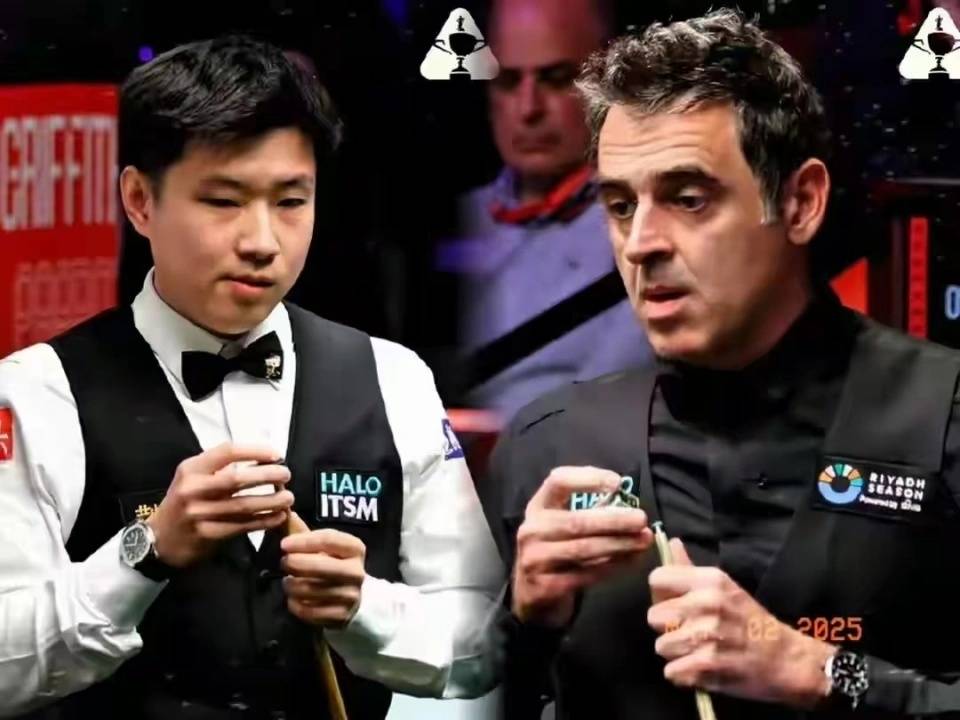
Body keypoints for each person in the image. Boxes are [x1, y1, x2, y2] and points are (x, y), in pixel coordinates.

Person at [0, 36, 504, 719]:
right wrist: (144, 554)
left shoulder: (394, 379)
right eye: (223, 201)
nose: (262, 241)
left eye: (291, 201)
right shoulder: (38, 392)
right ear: (140, 200)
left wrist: (364, 608)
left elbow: (484, 643)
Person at [480, 9, 960, 719]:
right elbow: (482, 696)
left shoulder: (945, 417)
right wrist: (526, 621)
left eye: (688, 199)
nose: (641, 243)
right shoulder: (546, 446)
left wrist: (823, 673)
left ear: (800, 203)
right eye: (620, 205)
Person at [438, 0, 652, 418]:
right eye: (507, 81)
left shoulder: (650, 225)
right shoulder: (443, 224)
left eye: (556, 80)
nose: (528, 109)